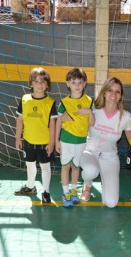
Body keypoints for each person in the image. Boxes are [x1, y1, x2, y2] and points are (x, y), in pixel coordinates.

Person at [79, 77, 131, 208]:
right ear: (104, 92)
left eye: (117, 92)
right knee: (91, 170)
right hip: (90, 152)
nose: (113, 95)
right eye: (110, 90)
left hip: (110, 157)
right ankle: (87, 185)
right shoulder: (94, 111)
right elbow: (71, 124)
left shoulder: (125, 116)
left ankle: (106, 181)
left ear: (121, 95)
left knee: (111, 203)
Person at [14, 67, 58, 204]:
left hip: (44, 143)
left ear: (47, 85)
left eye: (43, 82)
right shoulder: (24, 99)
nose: (40, 85)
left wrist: (51, 143)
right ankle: (30, 187)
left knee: (45, 167)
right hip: (28, 141)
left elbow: (52, 125)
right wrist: (18, 138)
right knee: (30, 165)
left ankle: (46, 191)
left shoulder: (50, 103)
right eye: (37, 81)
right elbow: (20, 120)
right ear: (31, 83)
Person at [55, 67, 95, 207]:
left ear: (85, 84)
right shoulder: (64, 102)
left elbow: (93, 123)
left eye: (80, 82)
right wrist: (56, 141)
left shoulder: (89, 101)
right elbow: (59, 122)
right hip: (66, 139)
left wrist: (90, 112)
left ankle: (73, 191)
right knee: (65, 167)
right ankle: (65, 192)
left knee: (76, 167)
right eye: (73, 82)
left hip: (81, 141)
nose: (77, 86)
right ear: (67, 84)